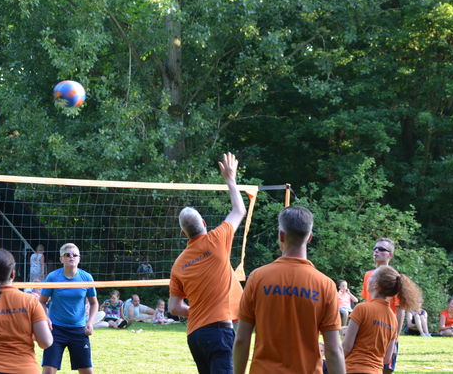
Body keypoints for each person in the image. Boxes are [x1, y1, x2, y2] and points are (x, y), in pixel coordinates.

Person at [233, 206, 345, 374]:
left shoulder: (257, 278)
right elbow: (334, 349)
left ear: (281, 236)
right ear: (309, 238)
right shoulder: (325, 285)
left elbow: (242, 339)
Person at [169, 152, 247, 374]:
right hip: (219, 332)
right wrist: (230, 179)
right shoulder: (216, 239)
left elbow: (174, 307)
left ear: (183, 233)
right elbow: (239, 210)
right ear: (203, 222)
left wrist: (197, 309)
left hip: (195, 336)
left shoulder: (178, 264)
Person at [343, 265, 422, 374]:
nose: (368, 279)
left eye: (371, 277)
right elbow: (387, 358)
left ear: (375, 284)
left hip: (353, 369)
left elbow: (346, 347)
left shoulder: (361, 308)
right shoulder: (393, 319)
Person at [39, 243, 99, 374]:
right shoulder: (53, 277)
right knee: (48, 370)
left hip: (79, 329)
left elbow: (94, 303)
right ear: (61, 259)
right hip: (56, 329)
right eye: (67, 255)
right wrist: (46, 318)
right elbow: (42, 302)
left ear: (79, 258)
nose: (71, 257)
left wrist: (90, 322)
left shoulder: (86, 278)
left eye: (74, 255)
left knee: (87, 371)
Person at [360, 237, 403, 373]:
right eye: (375, 248)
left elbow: (400, 310)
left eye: (381, 249)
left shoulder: (394, 278)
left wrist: (395, 339)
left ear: (390, 254)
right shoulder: (368, 275)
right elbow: (366, 303)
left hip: (386, 331)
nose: (376, 251)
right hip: (368, 332)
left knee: (385, 370)